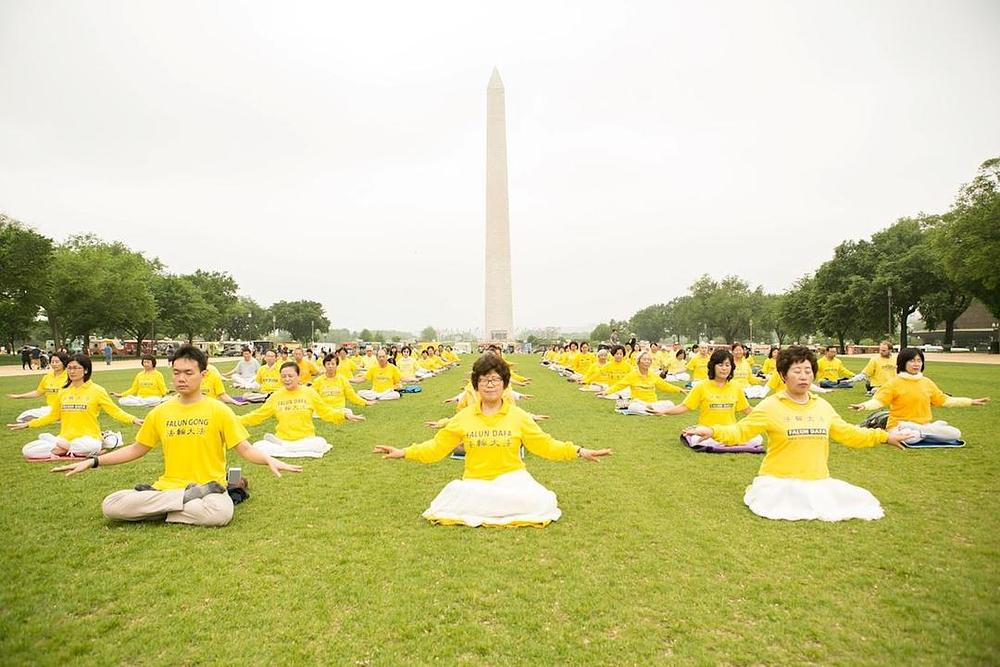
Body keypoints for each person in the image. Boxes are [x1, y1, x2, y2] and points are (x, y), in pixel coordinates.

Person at [49, 344, 302, 527]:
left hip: (207, 489)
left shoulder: (219, 410)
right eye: (177, 372)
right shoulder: (161, 411)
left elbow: (245, 450)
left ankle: (158, 509)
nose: (181, 378)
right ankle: (177, 503)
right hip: (172, 488)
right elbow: (136, 449)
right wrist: (93, 461)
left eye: (188, 373)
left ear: (204, 376)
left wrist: (268, 459)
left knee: (220, 513)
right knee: (111, 504)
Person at [373, 354, 611, 527]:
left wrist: (579, 451)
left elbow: (546, 445)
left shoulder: (519, 416)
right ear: (476, 385)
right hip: (476, 482)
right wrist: (404, 452)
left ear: (505, 385)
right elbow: (436, 448)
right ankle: (495, 505)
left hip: (513, 479)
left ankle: (499, 504)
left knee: (541, 500)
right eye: (484, 380)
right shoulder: (463, 417)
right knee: (453, 495)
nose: (489, 385)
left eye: (495, 380)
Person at [684, 346, 912, 521]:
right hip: (779, 483)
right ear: (783, 375)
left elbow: (847, 433)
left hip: (817, 481)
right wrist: (712, 430)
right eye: (797, 371)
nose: (804, 376)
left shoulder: (822, 406)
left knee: (859, 502)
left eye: (808, 371)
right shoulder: (770, 406)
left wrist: (884, 436)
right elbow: (740, 431)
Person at [10, 354, 142, 459]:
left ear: (85, 370)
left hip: (88, 438)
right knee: (27, 450)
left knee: (88, 446)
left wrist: (133, 419)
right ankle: (69, 449)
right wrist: (28, 424)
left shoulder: (97, 390)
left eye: (76, 368)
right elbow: (53, 416)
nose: (72, 371)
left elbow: (115, 411)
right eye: (69, 368)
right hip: (65, 438)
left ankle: (68, 449)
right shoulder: (63, 391)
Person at [849, 347, 989, 445]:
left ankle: (926, 429)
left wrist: (970, 401)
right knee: (909, 437)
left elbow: (944, 401)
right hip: (898, 426)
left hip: (921, 426)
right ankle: (932, 429)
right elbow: (878, 401)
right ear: (903, 363)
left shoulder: (926, 382)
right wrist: (864, 405)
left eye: (919, 361)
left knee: (955, 433)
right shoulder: (894, 383)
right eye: (912, 361)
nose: (916, 364)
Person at [649, 349, 763, 451]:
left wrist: (768, 416)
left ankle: (728, 443)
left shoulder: (736, 387)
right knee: (698, 440)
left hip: (729, 431)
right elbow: (684, 407)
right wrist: (664, 411)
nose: (724, 368)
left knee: (758, 438)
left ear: (732, 367)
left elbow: (747, 409)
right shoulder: (701, 386)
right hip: (708, 431)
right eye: (720, 365)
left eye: (727, 365)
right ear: (713, 366)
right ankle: (730, 444)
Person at [240, 361, 358, 458]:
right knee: (258, 445)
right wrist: (236, 420)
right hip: (283, 438)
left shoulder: (309, 393)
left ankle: (286, 448)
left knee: (319, 442)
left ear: (298, 376)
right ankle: (287, 447)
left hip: (306, 440)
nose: (287, 379)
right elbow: (258, 415)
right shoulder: (276, 396)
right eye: (283, 376)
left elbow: (326, 412)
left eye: (290, 376)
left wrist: (344, 415)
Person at [598, 350, 684, 415]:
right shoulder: (632, 375)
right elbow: (619, 385)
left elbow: (665, 386)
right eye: (645, 359)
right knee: (633, 407)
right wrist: (606, 392)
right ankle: (655, 411)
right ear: (639, 362)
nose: (647, 361)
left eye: (649, 360)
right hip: (638, 402)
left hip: (653, 403)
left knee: (670, 403)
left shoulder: (653, 375)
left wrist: (680, 390)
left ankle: (651, 410)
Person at [8, 351, 70, 421]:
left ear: (64, 362)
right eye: (52, 362)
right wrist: (19, 396)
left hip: (67, 408)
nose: (54, 364)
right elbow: (38, 392)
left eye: (57, 362)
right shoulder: (47, 377)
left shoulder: (70, 376)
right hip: (50, 408)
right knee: (23, 417)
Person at [311, 353, 374, 417]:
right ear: (324, 365)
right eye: (328, 364)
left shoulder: (342, 379)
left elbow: (352, 395)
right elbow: (311, 396)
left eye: (333, 364)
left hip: (339, 409)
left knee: (348, 412)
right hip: (324, 409)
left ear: (337, 365)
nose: (330, 366)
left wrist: (365, 402)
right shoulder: (318, 381)